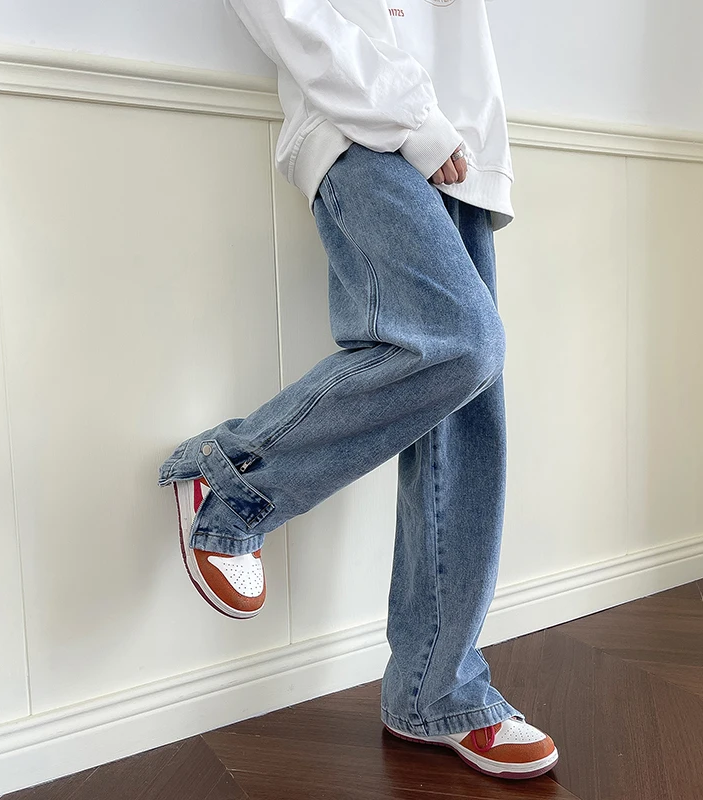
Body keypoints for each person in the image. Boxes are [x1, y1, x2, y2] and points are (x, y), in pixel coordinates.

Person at [157, 0, 558, 781]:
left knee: (465, 416)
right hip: (365, 118)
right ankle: (231, 475)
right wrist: (413, 118)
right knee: (461, 342)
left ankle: (435, 691)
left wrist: (451, 131)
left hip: (464, 142)